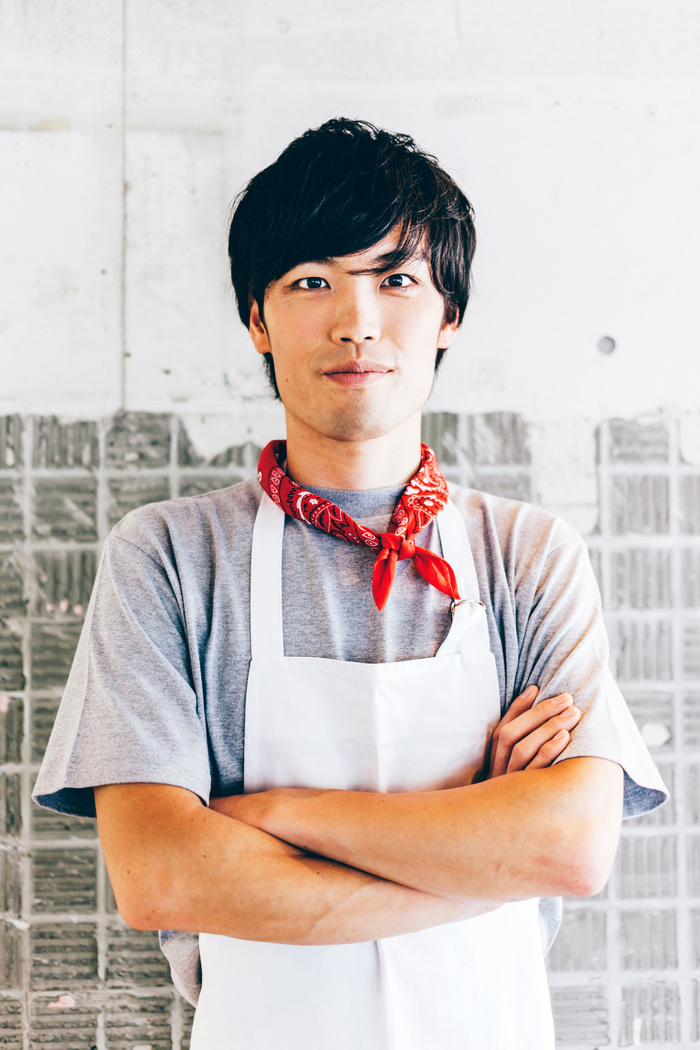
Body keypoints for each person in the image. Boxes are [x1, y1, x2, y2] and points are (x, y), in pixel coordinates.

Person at [34, 118, 667, 1049]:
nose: (357, 321)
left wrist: (278, 816)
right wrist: (478, 857)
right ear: (257, 318)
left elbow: (569, 848)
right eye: (311, 281)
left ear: (449, 315)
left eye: (396, 279)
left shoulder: (527, 554)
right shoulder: (168, 556)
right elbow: (161, 875)